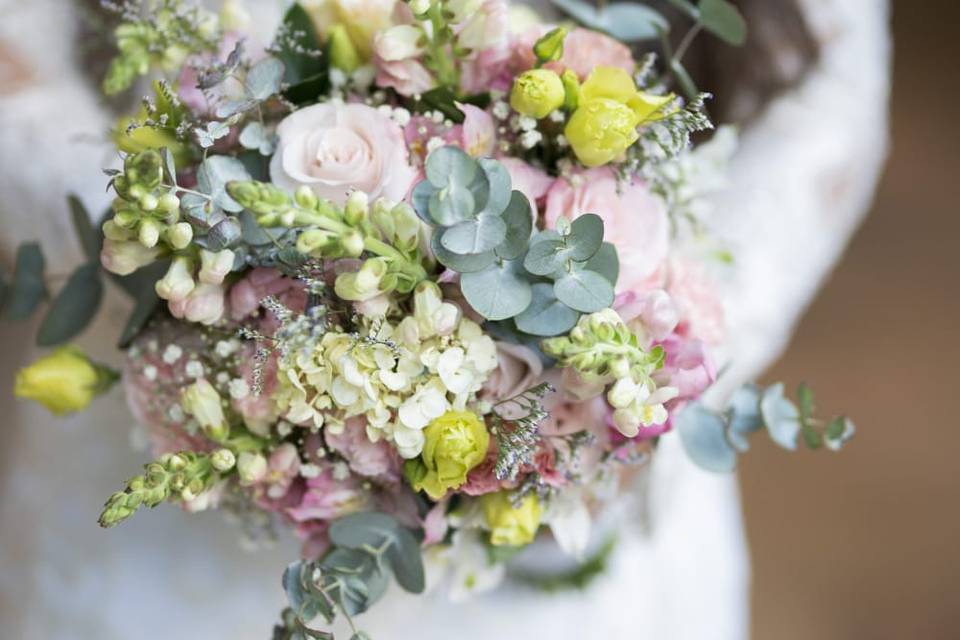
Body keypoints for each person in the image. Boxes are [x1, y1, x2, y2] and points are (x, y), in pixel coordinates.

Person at [0, 1, 889, 638]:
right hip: (171, 440)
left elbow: (836, 75)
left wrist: (648, 357)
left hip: (598, 479)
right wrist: (201, 240)